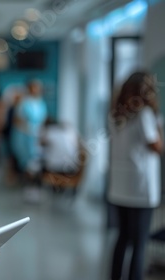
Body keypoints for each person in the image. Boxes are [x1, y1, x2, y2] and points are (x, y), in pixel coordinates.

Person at [108, 71, 163, 280]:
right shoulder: (146, 114)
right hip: (141, 187)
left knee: (122, 238)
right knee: (140, 243)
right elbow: (156, 146)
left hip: (120, 186)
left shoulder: (115, 114)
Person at [10, 79, 48, 201]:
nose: (37, 90)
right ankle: (28, 188)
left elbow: (42, 120)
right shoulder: (24, 103)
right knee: (27, 163)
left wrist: (40, 133)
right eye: (34, 87)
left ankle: (35, 188)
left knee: (36, 163)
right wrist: (29, 130)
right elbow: (17, 121)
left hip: (37, 137)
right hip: (25, 137)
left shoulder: (41, 103)